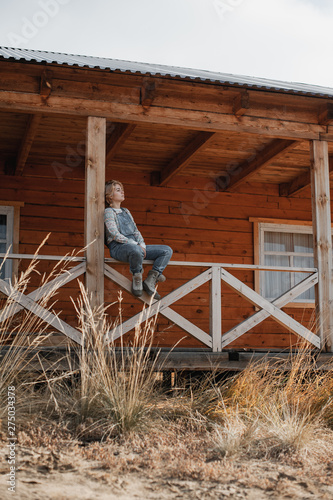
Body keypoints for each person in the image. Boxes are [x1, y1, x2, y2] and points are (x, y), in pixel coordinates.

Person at [104, 180, 172, 299]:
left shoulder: (126, 211)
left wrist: (142, 244)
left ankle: (151, 279)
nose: (122, 192)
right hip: (118, 247)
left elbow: (135, 231)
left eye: (122, 189)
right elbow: (114, 233)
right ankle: (137, 276)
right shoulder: (109, 212)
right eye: (118, 190)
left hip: (136, 247)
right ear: (109, 196)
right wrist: (135, 244)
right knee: (135, 250)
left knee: (166, 250)